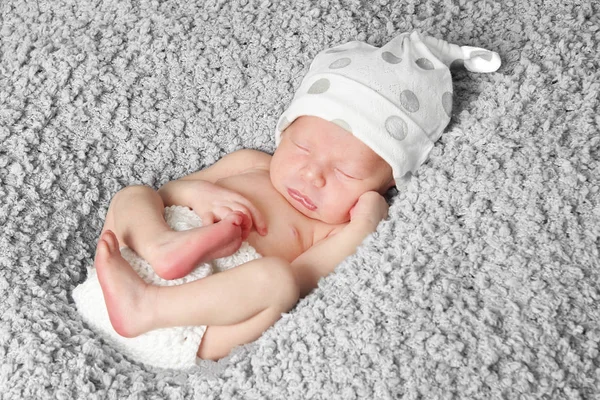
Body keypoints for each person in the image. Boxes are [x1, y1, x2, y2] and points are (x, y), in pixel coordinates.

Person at [93, 31, 501, 361]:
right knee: (136, 195)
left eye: (346, 172)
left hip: (192, 329)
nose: (312, 174)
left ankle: (149, 308)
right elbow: (168, 194)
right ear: (284, 130)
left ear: (384, 185)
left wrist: (364, 223)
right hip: (121, 271)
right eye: (302, 148)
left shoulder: (328, 229)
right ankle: (162, 246)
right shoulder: (249, 162)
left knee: (280, 281)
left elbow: (307, 279)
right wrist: (200, 194)